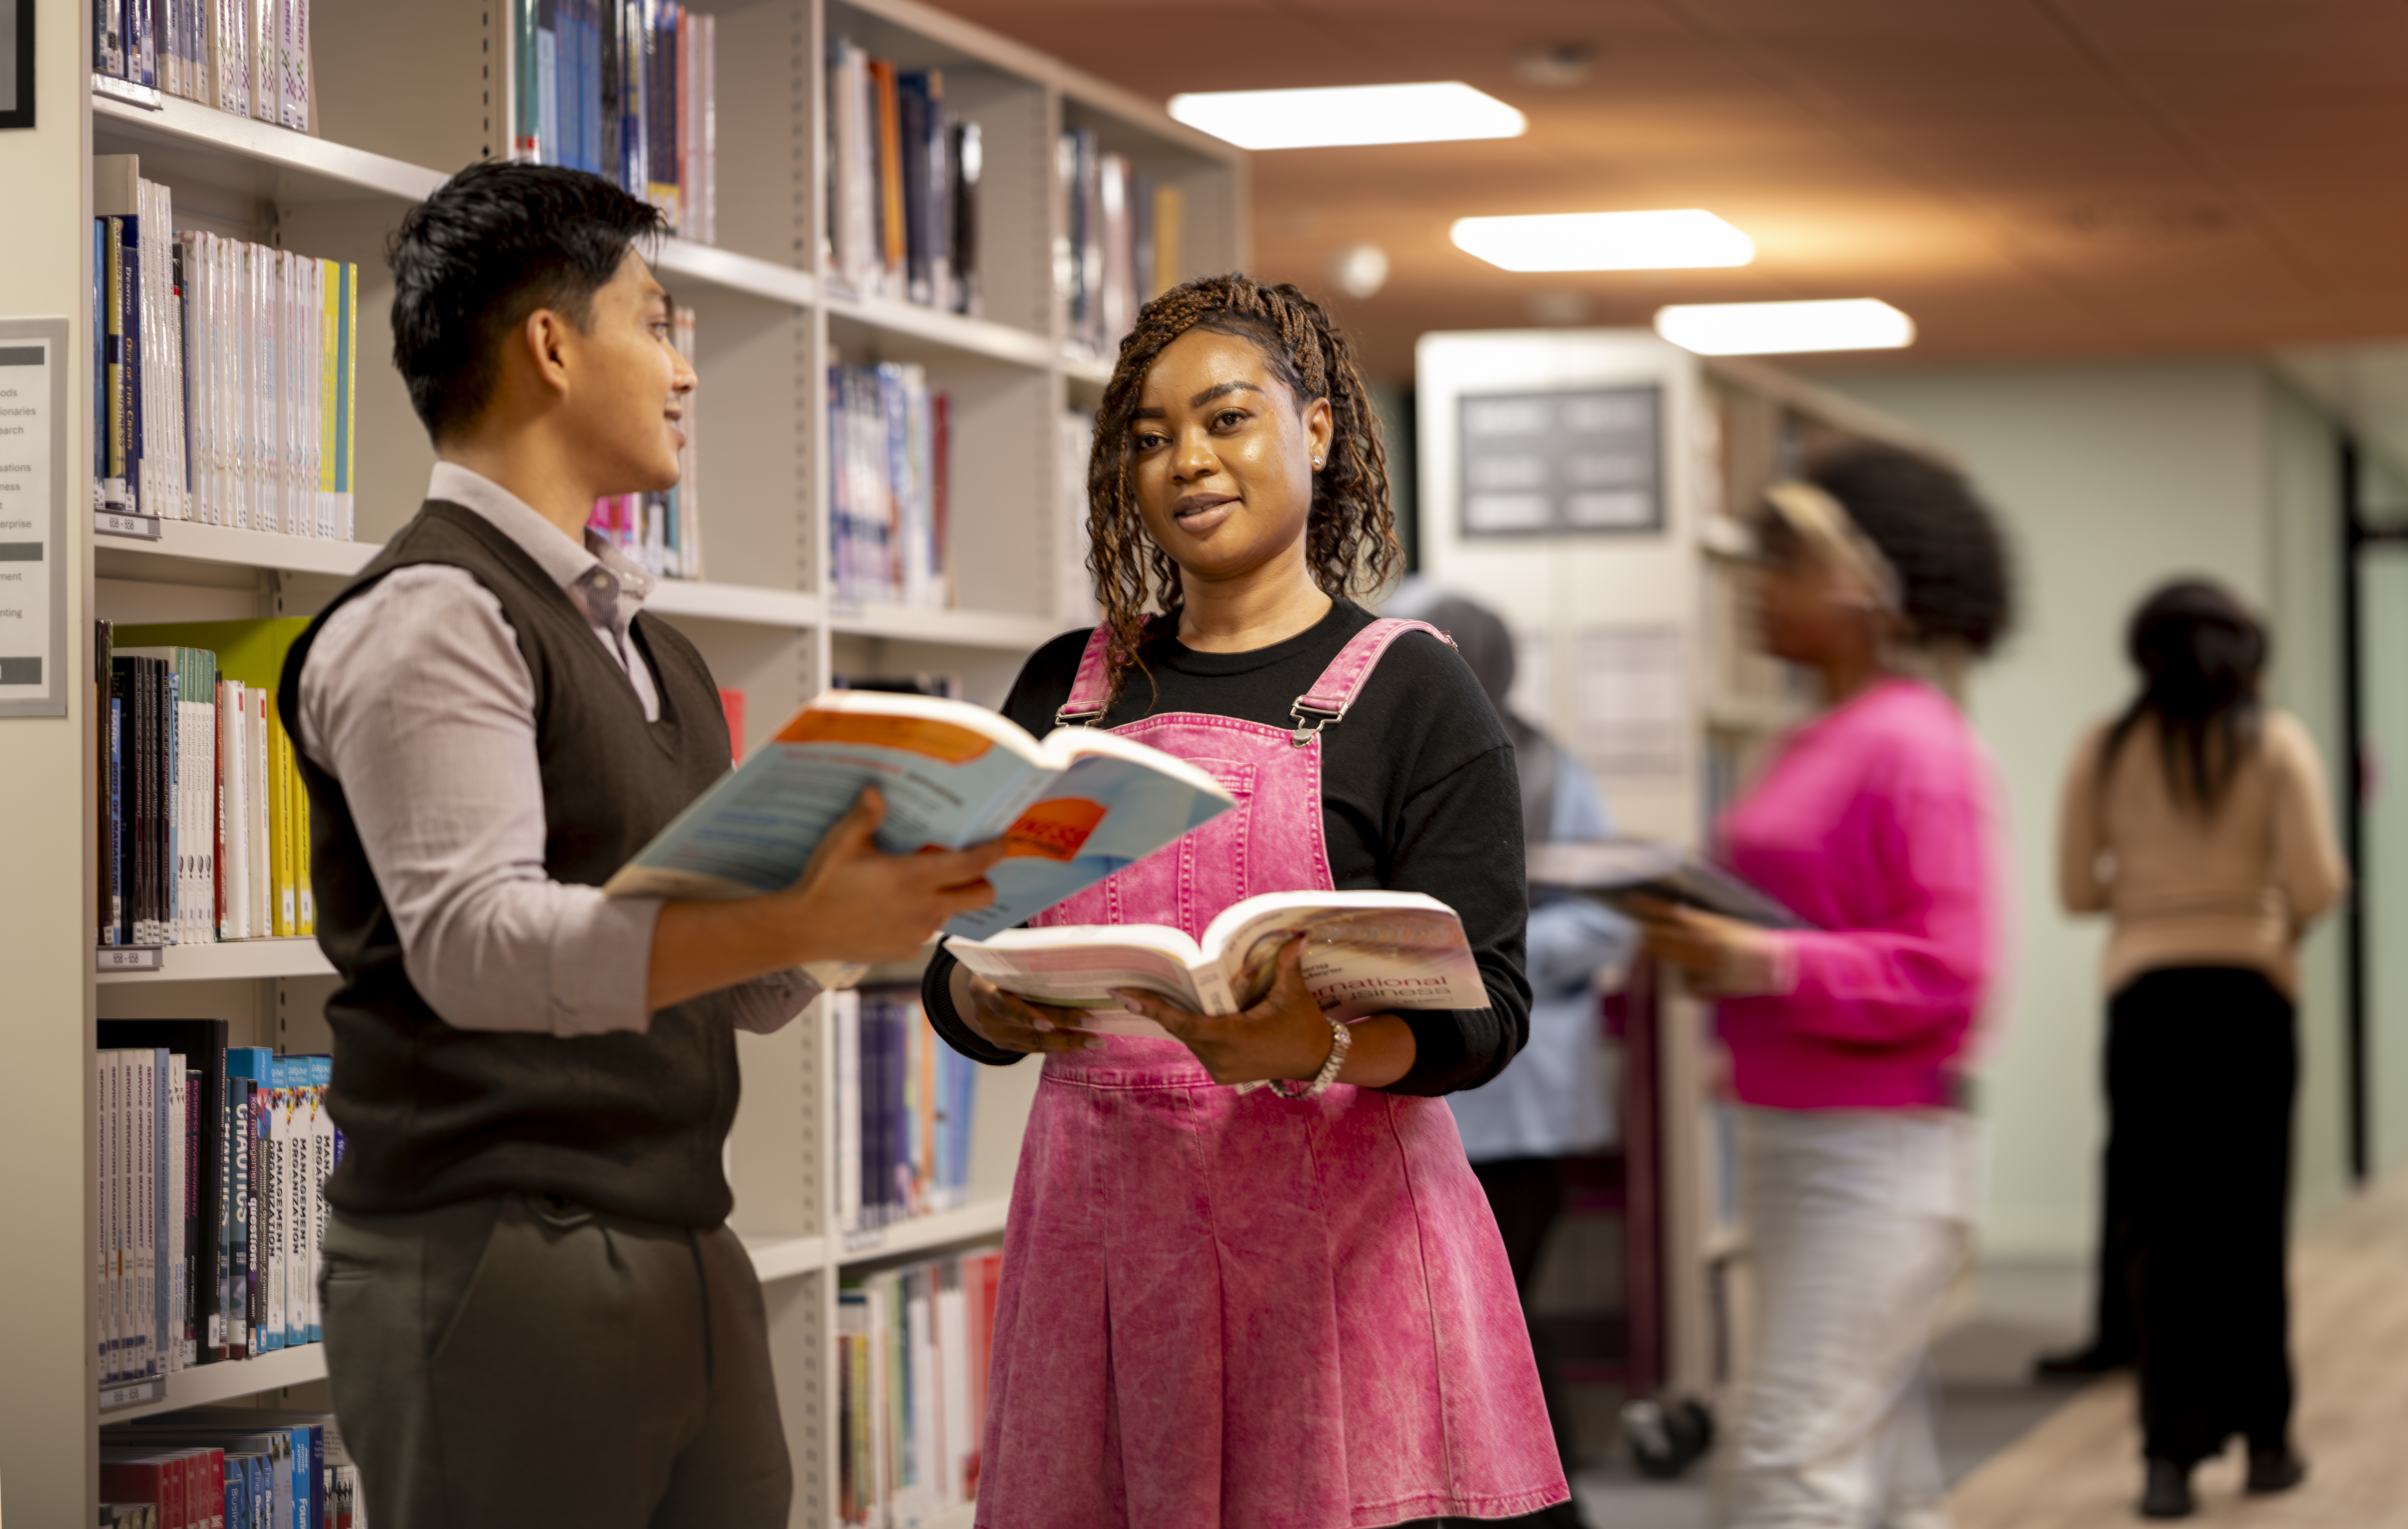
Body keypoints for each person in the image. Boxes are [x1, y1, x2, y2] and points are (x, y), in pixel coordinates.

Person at [280, 162, 1008, 1528]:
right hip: (502, 1255)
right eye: (657, 323)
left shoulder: (654, 647)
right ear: (551, 347)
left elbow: (731, 982)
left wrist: (882, 913)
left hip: (687, 1243)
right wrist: (800, 921)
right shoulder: (433, 615)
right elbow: (476, 948)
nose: (685, 371)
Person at [919, 274, 1566, 1528]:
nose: (1186, 463)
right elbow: (961, 943)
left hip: (1341, 1265)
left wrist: (1315, 1045)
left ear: (1315, 432)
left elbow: (1488, 1011)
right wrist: (983, 1006)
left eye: (1225, 421)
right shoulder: (1069, 687)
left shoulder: (1414, 697)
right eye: (1149, 438)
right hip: (1104, 1255)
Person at [1631, 444, 2011, 1529]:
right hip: (1796, 1140)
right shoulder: (1810, 738)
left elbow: (1952, 973)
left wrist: (1766, 964)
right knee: (1878, 1472)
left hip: (1877, 1156)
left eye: (1789, 563)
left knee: (1790, 1468)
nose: (1761, 586)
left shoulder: (1921, 746)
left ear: (1869, 584)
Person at [2057, 580, 2342, 1520]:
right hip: (2253, 998)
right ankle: (2268, 1445)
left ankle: (2166, 1465)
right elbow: (2320, 881)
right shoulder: (2277, 741)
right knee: (2249, 1227)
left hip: (2147, 1003)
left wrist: (2150, 898)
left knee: (2159, 1236)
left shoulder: (2104, 748)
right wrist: (2263, 916)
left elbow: (2076, 890)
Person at [1398, 589, 1633, 1528]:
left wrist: (1494, 953)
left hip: (1522, 1109)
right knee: (1448, 1336)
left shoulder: (1549, 766)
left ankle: (1544, 1510)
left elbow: (1609, 915)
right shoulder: (1392, 753)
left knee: (1498, 1326)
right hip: (1417, 1099)